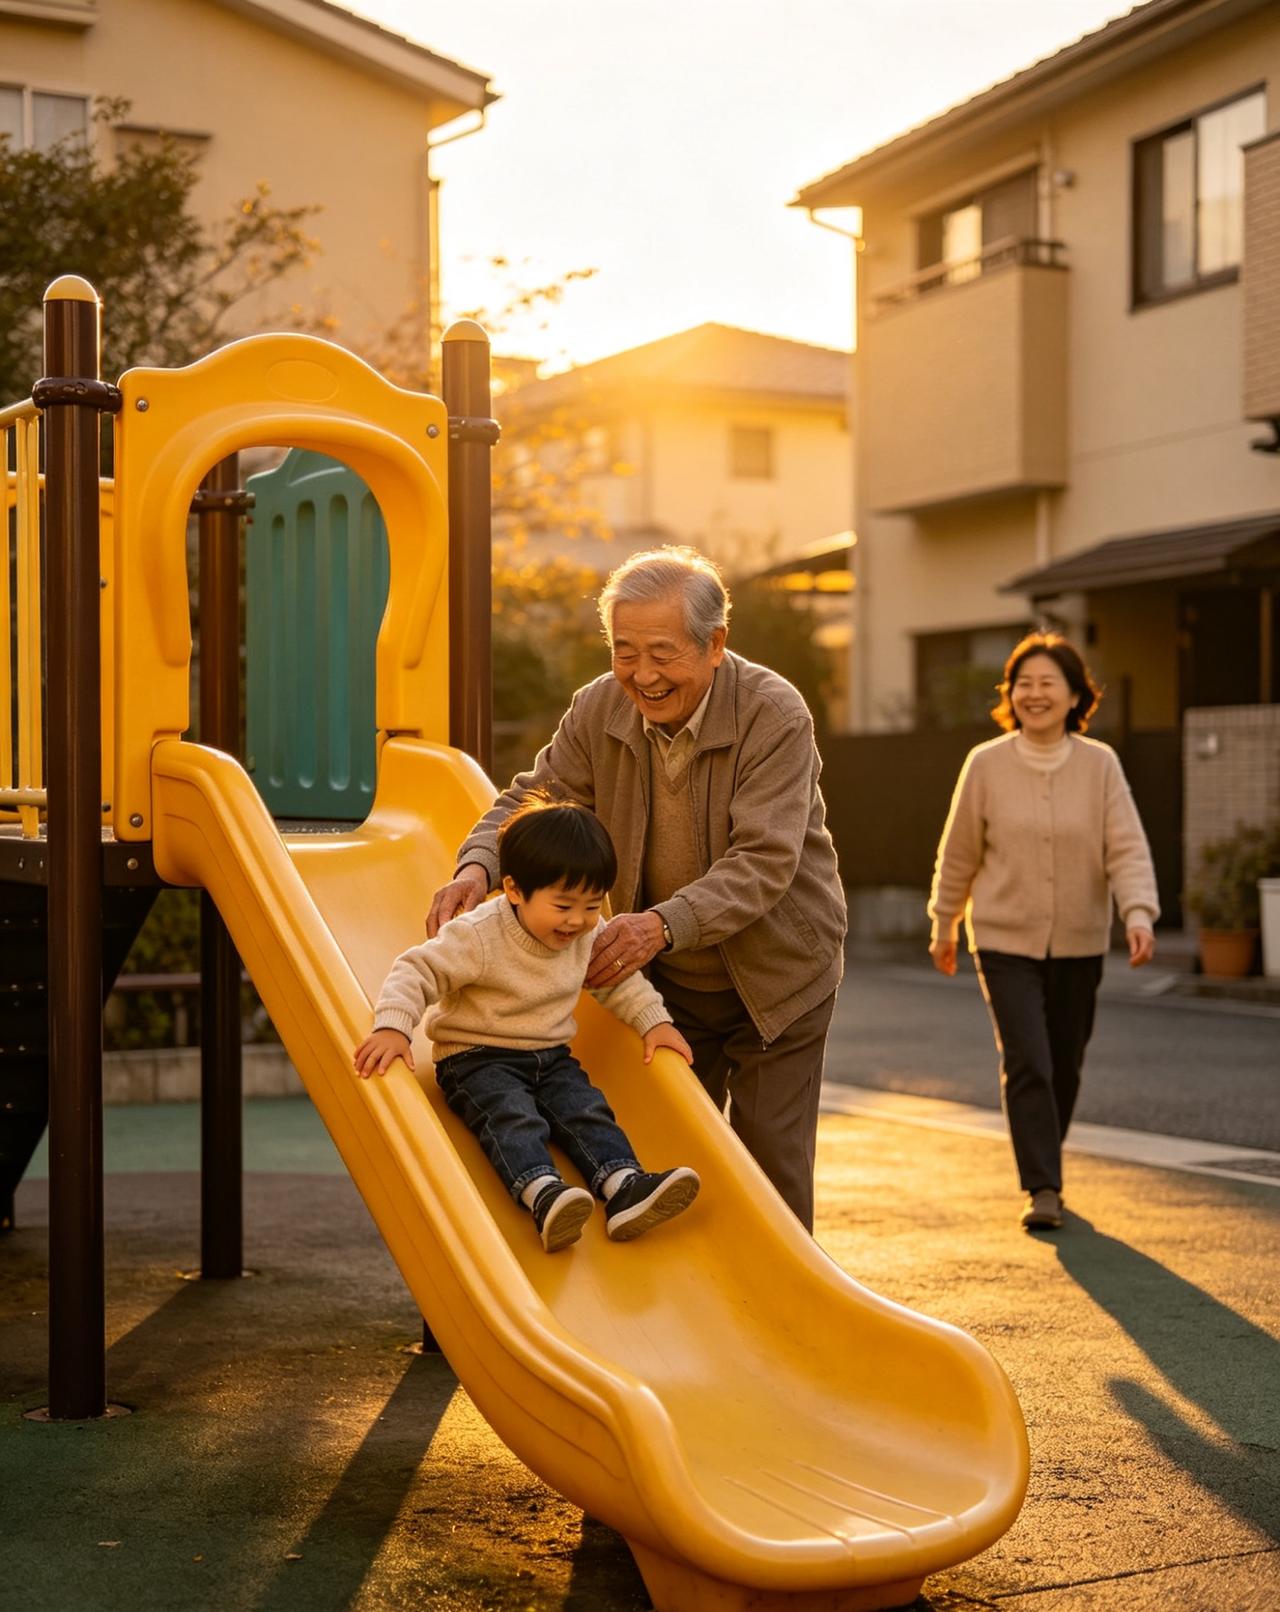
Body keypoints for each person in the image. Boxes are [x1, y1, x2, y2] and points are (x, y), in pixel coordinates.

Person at [427, 546, 846, 1232]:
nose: (642, 675)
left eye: (661, 652)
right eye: (625, 651)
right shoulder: (599, 709)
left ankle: (790, 1324)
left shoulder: (774, 713)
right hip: (675, 980)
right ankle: (699, 1320)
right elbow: (534, 798)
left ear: (715, 645)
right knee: (677, 1152)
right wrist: (477, 863)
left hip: (778, 977)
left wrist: (657, 925)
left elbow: (764, 861)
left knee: (770, 1161)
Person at [354, 797, 700, 1252]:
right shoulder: (478, 935)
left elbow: (618, 984)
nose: (577, 921)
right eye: (563, 906)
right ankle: (545, 1195)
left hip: (550, 1056)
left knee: (586, 1108)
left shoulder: (583, 934)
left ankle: (623, 1186)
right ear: (515, 890)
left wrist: (653, 1022)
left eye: (591, 906)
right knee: (511, 1117)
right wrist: (394, 1028)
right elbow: (417, 970)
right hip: (476, 1058)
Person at [927, 632, 1158, 1231]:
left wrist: (1138, 914)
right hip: (1003, 940)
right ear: (1011, 694)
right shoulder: (986, 763)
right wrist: (944, 922)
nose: (1034, 694)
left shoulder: (1100, 765)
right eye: (1022, 683)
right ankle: (1043, 1187)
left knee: (1066, 1060)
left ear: (1075, 694)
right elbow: (959, 853)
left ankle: (1046, 1162)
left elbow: (1126, 848)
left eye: (1047, 683)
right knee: (1029, 1058)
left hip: (1081, 939)